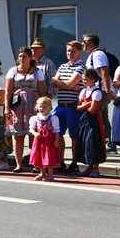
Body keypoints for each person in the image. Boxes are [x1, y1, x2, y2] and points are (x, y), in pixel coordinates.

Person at [4, 46, 46, 173]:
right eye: (20, 56)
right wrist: (6, 107)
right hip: (17, 105)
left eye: (24, 56)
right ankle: (18, 164)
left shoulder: (37, 72)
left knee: (33, 134)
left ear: (30, 57)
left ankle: (36, 163)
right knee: (18, 135)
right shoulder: (12, 71)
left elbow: (42, 91)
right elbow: (8, 91)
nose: (22, 58)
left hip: (33, 105)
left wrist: (43, 108)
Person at [48, 40, 85, 174]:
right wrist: (66, 84)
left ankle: (74, 162)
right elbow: (53, 82)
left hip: (73, 106)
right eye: (68, 51)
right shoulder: (62, 66)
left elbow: (69, 83)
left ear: (79, 52)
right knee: (58, 133)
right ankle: (60, 161)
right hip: (60, 105)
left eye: (73, 51)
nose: (69, 53)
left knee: (74, 135)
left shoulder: (81, 67)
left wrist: (63, 83)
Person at [82, 33, 116, 152]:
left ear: (91, 42)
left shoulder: (97, 55)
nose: (83, 44)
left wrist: (107, 90)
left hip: (100, 91)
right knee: (103, 117)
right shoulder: (94, 55)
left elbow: (104, 72)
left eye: (84, 41)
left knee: (95, 115)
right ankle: (109, 142)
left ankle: (101, 143)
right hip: (100, 91)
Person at [75, 69, 107, 177]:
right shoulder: (84, 91)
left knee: (94, 142)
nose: (84, 82)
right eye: (83, 80)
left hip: (94, 120)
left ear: (93, 79)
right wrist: (86, 105)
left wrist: (85, 105)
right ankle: (89, 167)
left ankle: (96, 168)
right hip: (85, 120)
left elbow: (93, 110)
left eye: (86, 79)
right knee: (86, 143)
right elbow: (78, 107)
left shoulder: (96, 92)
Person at [29, 97, 61, 181]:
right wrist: (35, 133)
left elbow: (56, 130)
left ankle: (50, 174)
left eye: (44, 107)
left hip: (49, 141)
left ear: (50, 108)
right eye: (40, 106)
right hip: (40, 141)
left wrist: (56, 140)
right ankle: (42, 173)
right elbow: (31, 128)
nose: (41, 109)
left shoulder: (53, 118)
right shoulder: (35, 118)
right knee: (40, 156)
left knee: (49, 155)